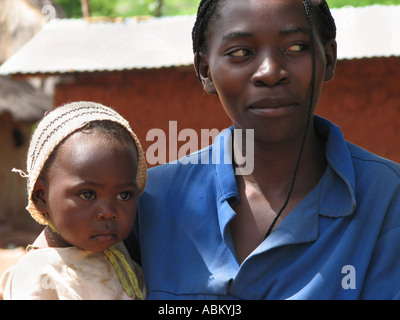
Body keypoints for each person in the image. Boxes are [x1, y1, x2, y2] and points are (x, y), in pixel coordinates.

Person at [131, 0, 400, 299]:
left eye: (297, 47)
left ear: (330, 58)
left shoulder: (389, 199)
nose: (271, 72)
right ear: (205, 71)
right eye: (241, 53)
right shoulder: (145, 202)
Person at [0, 102, 147, 300]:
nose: (108, 211)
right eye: (87, 195)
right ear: (41, 197)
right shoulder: (38, 275)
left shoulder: (118, 252)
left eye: (124, 195)